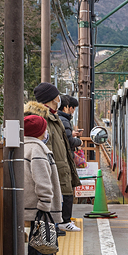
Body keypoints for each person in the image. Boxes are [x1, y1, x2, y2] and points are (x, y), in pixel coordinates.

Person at [25, 84, 80, 255]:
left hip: (57, 170)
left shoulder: (51, 116)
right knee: (45, 220)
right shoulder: (42, 118)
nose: (60, 99)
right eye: (57, 96)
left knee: (49, 219)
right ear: (50, 98)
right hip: (50, 171)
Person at [23, 115, 62, 255]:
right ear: (40, 132)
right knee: (39, 237)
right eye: (44, 129)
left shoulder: (24, 146)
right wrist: (46, 201)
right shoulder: (37, 149)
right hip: (38, 203)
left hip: (30, 201)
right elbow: (42, 179)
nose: (46, 132)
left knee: (39, 235)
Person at [58, 95, 82, 228]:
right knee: (67, 190)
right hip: (63, 159)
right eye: (72, 108)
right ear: (67, 107)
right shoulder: (64, 120)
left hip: (62, 158)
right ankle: (64, 221)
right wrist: (79, 141)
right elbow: (68, 141)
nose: (72, 111)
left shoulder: (60, 119)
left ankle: (63, 220)